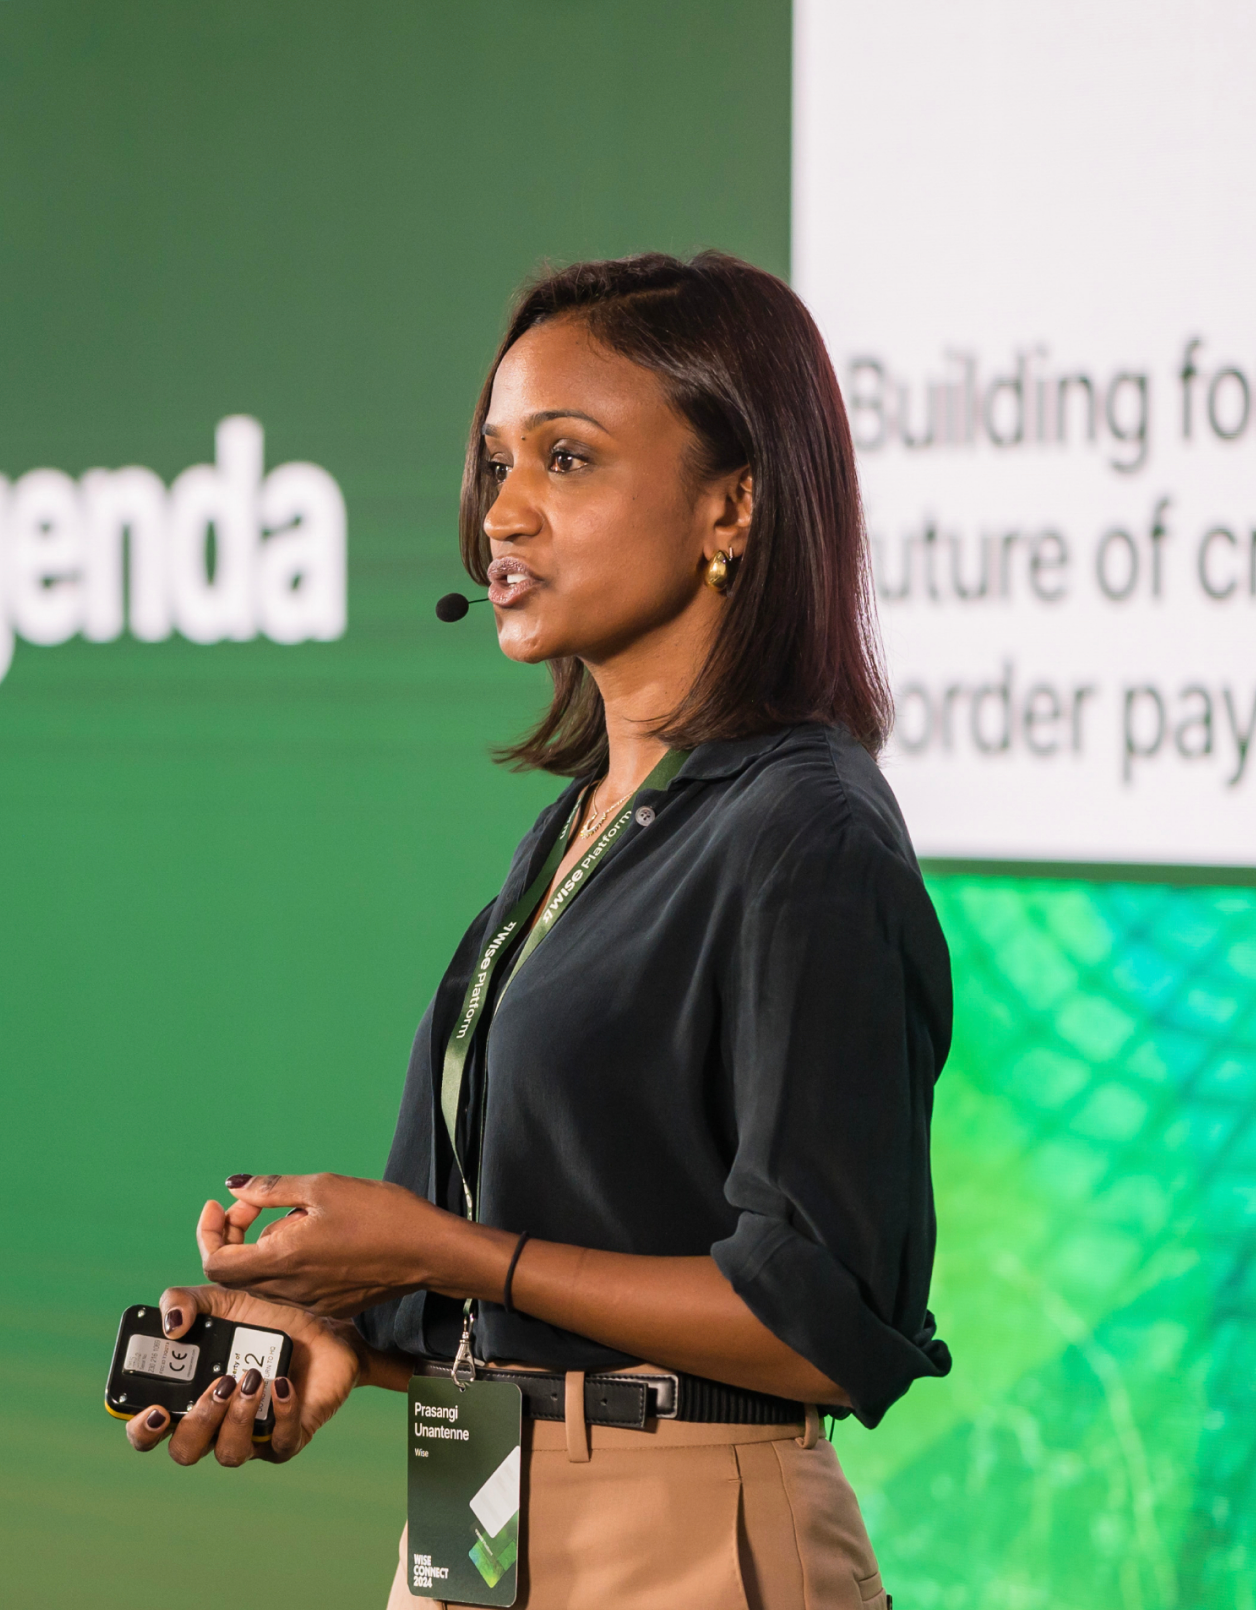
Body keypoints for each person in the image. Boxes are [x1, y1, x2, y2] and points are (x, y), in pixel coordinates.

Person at [124, 250, 953, 1608]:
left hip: (679, 1536)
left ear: (730, 504)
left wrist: (441, 1250)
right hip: (474, 1503)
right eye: (496, 462)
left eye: (565, 460)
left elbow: (821, 1317)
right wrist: (335, 1331)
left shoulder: (808, 833)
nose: (500, 515)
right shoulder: (579, 827)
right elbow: (550, 1264)